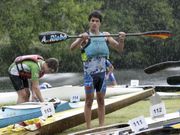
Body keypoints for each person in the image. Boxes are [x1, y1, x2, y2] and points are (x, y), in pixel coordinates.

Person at [70, 10, 125, 128]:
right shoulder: (84, 36)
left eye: (97, 21)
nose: (94, 23)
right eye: (92, 21)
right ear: (89, 23)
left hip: (101, 75)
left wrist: (121, 39)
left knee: (101, 100)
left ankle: (101, 127)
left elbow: (119, 48)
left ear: (100, 23)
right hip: (89, 75)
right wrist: (80, 40)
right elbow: (72, 48)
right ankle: (88, 128)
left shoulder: (106, 35)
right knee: (89, 101)